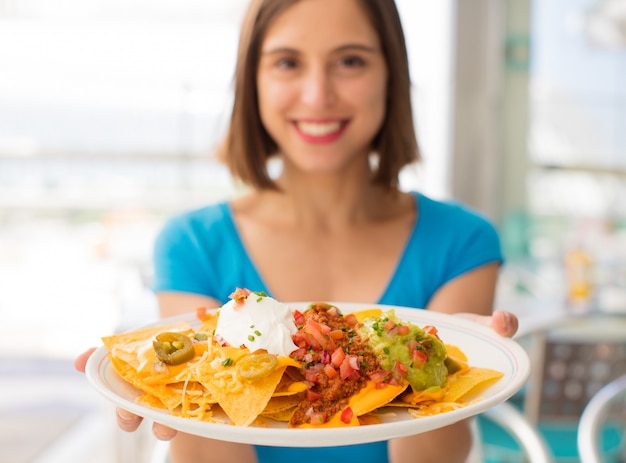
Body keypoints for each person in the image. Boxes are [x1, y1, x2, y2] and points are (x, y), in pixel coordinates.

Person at [76, 0, 519, 461]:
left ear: (392, 74)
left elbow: (434, 454)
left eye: (350, 61)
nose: (317, 94)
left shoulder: (462, 242)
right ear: (253, 83)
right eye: (288, 62)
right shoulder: (193, 244)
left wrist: (440, 360)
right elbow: (208, 441)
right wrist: (166, 390)